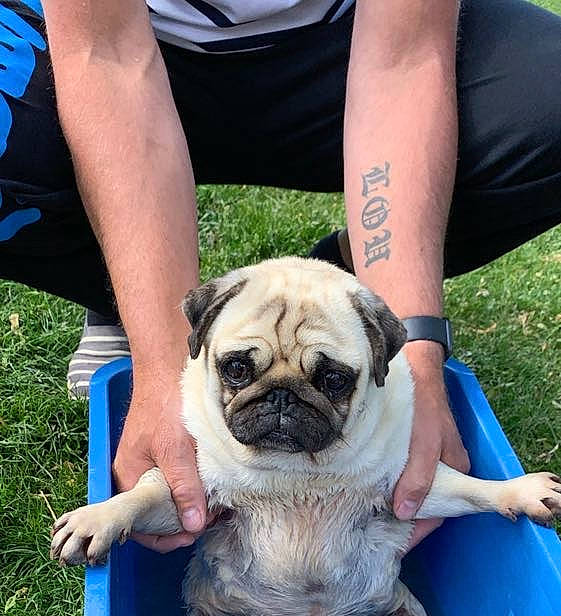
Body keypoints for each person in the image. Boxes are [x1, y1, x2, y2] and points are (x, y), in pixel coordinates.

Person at [1, 0, 560, 552]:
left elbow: (405, 61)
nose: (282, 405)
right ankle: (125, 298)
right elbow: (105, 55)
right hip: (132, 45)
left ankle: (338, 298)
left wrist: (416, 358)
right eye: (242, 369)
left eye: (332, 378)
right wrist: (159, 366)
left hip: (340, 44)